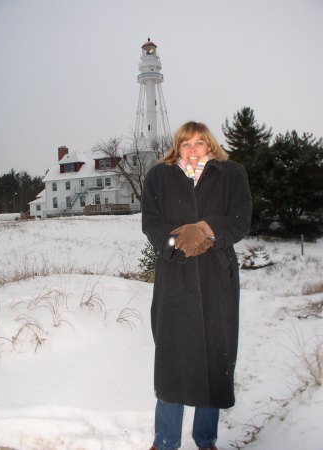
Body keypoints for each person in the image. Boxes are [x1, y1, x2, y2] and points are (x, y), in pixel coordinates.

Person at [141, 121, 252, 450]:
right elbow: (151, 222)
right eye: (186, 143)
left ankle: (206, 440)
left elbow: (240, 219)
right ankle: (164, 441)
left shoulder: (231, 174)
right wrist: (177, 240)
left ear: (210, 146)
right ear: (177, 146)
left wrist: (206, 229)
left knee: (215, 360)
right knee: (172, 361)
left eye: (199, 143)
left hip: (218, 279)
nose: (192, 150)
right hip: (175, 278)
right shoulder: (158, 176)